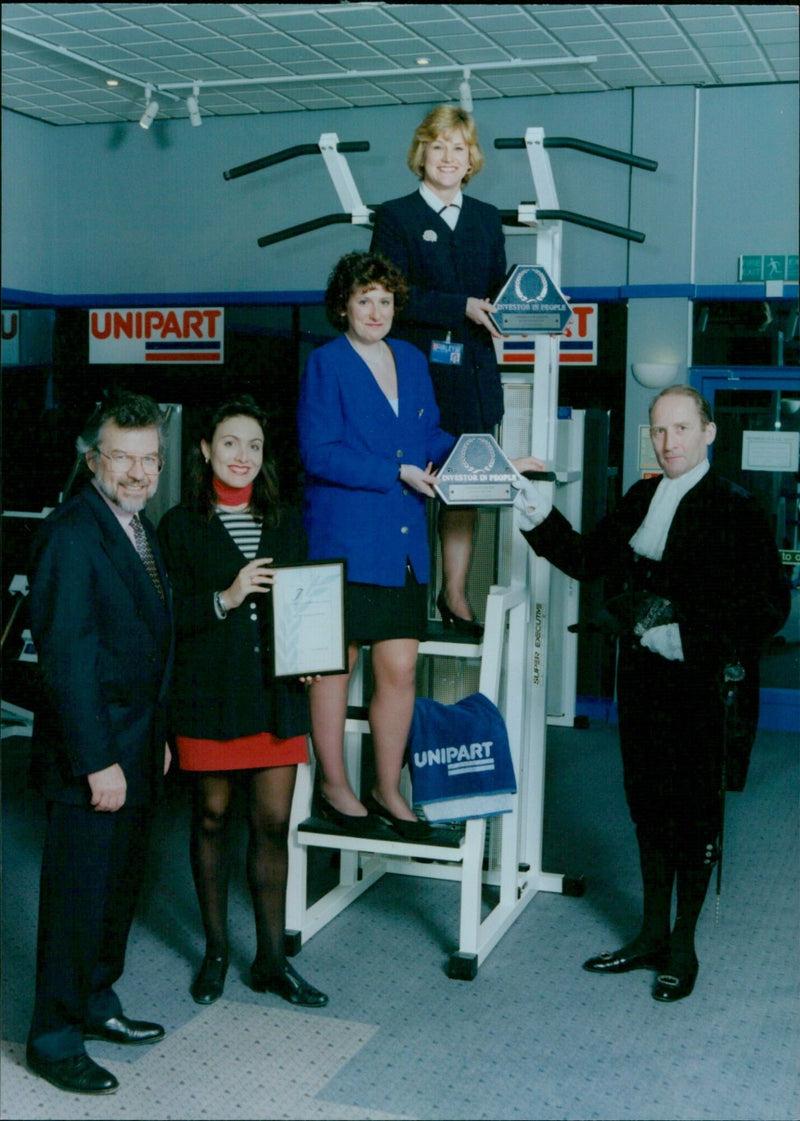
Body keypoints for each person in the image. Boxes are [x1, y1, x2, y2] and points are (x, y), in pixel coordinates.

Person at [513, 385, 789, 1002]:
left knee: (693, 816)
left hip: (704, 686)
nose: (669, 443)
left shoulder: (738, 508)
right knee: (647, 807)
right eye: (659, 431)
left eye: (682, 429)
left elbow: (770, 607)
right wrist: (531, 507)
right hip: (642, 683)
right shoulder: (643, 495)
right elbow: (586, 558)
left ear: (708, 432)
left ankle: (682, 948)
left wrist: (688, 636)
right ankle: (649, 934)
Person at [158, 396, 327, 1009]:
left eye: (253, 446)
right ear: (205, 449)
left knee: (273, 825)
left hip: (273, 698)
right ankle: (217, 951)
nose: (242, 457)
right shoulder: (178, 525)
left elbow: (306, 603)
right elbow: (166, 619)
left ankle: (272, 961)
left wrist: (308, 658)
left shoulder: (286, 520)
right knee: (210, 819)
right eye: (230, 443)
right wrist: (225, 597)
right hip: (207, 699)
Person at [26, 391, 173, 1095]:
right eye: (124, 457)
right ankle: (54, 1037)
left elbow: (145, 643)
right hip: (95, 757)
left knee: (117, 893)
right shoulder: (69, 533)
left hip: (138, 747)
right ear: (93, 460)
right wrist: (99, 759)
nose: (139, 471)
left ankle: (95, 1000)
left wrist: (157, 740)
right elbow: (68, 659)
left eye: (150, 458)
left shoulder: (138, 529)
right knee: (75, 900)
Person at [297, 251, 456, 840]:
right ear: (343, 306)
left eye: (385, 300)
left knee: (401, 667)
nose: (376, 310)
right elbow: (318, 452)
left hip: (404, 542)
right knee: (338, 667)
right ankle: (336, 786)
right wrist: (397, 471)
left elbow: (429, 435)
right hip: (344, 539)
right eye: (364, 300)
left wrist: (480, 456)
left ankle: (387, 789)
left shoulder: (413, 360)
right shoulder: (326, 364)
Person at [370, 104, 507, 638]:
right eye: (438, 146)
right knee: (408, 483)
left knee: (463, 487)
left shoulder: (486, 218)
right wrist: (461, 308)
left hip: (472, 376)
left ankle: (454, 593)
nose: (448, 157)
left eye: (458, 148)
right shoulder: (397, 215)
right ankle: (400, 594)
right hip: (417, 375)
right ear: (420, 153)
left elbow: (496, 290)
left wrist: (527, 303)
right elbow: (389, 297)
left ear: (470, 158)